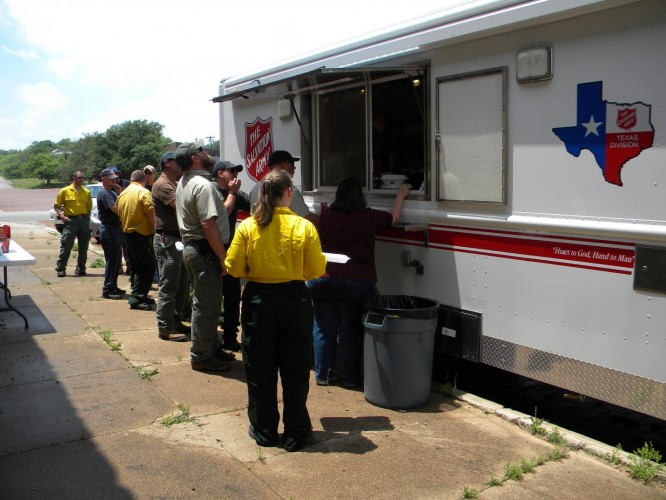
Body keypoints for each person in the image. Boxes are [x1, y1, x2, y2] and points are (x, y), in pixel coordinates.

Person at [226, 169, 326, 452]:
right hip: (294, 298)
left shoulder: (248, 226)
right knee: (295, 369)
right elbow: (316, 269)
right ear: (288, 194)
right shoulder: (303, 227)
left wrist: (252, 270)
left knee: (259, 368)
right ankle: (296, 432)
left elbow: (233, 267)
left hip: (259, 300)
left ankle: (264, 429)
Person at [306, 177, 409, 387]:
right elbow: (394, 217)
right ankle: (350, 379)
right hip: (356, 283)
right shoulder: (368, 217)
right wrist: (401, 194)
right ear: (360, 197)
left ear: (338, 195)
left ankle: (323, 375)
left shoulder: (326, 216)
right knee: (350, 329)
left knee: (323, 328)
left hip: (323, 279)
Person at [175, 139, 234, 372]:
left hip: (196, 250)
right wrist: (222, 257)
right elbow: (208, 224)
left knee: (206, 303)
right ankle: (201, 355)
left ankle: (211, 347)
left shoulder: (185, 182)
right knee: (206, 306)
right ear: (194, 158)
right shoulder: (202, 185)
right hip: (204, 251)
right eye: (201, 149)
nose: (206, 151)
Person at [211, 160, 251, 352]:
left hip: (230, 250)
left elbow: (253, 204)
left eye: (237, 171)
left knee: (233, 295)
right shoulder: (212, 191)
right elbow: (222, 214)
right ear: (220, 173)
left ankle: (230, 336)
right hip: (212, 250)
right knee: (211, 296)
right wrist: (233, 193)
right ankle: (210, 339)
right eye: (231, 171)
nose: (236, 175)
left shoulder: (234, 192)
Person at [152, 152, 190, 342]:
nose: (181, 164)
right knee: (169, 284)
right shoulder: (163, 184)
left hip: (176, 239)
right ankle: (165, 327)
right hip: (167, 239)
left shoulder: (174, 183)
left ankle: (175, 320)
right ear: (167, 163)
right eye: (177, 161)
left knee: (181, 283)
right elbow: (182, 208)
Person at [117, 170, 156, 310]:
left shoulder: (123, 194)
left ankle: (140, 295)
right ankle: (137, 298)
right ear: (144, 179)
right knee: (147, 268)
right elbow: (150, 213)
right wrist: (156, 230)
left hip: (128, 236)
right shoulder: (143, 192)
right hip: (142, 237)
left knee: (137, 267)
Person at [249, 150, 318, 226]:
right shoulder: (287, 189)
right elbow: (307, 219)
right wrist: (328, 219)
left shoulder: (255, 188)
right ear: (282, 165)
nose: (294, 168)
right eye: (292, 164)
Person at [53, 170, 92, 277]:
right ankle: (61, 268)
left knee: (83, 246)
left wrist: (87, 219)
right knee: (66, 245)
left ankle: (81, 268)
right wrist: (62, 216)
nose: (81, 180)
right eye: (79, 178)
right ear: (74, 178)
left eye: (83, 178)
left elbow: (89, 208)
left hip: (83, 221)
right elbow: (57, 206)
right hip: (70, 221)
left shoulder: (87, 192)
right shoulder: (65, 191)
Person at [97, 167, 125, 300]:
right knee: (112, 259)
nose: (115, 180)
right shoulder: (104, 193)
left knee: (116, 259)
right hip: (108, 229)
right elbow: (116, 209)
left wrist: (119, 192)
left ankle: (113, 285)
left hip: (114, 228)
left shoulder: (112, 193)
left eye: (115, 178)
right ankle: (107, 288)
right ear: (104, 179)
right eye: (112, 178)